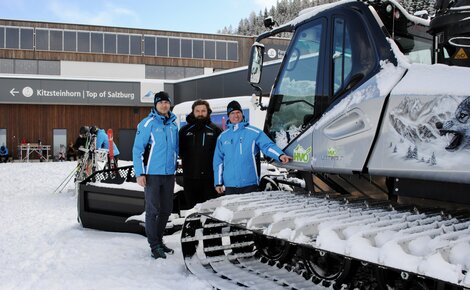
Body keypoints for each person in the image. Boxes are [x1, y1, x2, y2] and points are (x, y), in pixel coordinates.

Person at [133, 91, 178, 260]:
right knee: (152, 210)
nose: (164, 105)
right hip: (152, 174)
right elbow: (137, 150)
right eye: (161, 102)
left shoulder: (173, 124)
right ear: (155, 105)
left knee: (166, 209)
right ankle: (154, 245)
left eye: (167, 102)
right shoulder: (147, 124)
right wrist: (140, 173)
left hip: (168, 174)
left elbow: (176, 149)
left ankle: (159, 240)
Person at [213, 100, 292, 195]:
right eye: (232, 113)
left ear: (242, 114)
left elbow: (267, 146)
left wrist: (280, 155)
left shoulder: (254, 132)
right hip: (230, 185)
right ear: (228, 116)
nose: (236, 115)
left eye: (238, 112)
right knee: (232, 210)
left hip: (249, 184)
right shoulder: (223, 137)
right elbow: (218, 161)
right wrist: (218, 183)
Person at [179, 99, 222, 209]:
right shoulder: (184, 131)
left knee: (210, 211)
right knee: (192, 210)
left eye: (203, 111)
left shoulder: (216, 130)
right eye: (197, 111)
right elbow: (179, 151)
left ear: (208, 112)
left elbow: (221, 155)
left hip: (209, 180)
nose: (200, 113)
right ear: (193, 112)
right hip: (190, 179)